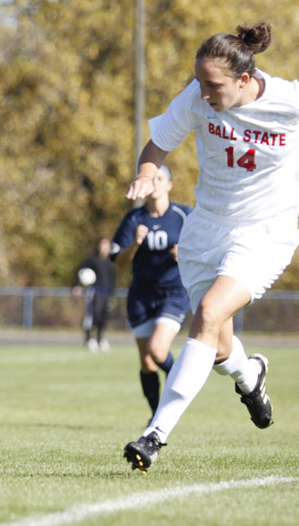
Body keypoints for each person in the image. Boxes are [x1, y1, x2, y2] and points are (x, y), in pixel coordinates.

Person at [122, 22, 299, 473]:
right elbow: (157, 146)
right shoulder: (195, 98)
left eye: (213, 85)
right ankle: (250, 374)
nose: (202, 93)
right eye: (199, 81)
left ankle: (155, 434)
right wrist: (146, 173)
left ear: (244, 80)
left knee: (205, 315)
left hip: (265, 233)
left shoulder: (293, 99)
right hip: (207, 230)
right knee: (219, 347)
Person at [110, 165, 191, 420]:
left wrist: (186, 254)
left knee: (158, 351)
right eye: (151, 178)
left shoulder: (184, 215)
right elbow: (117, 261)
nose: (154, 183)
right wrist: (134, 244)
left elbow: (207, 250)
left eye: (160, 178)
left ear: (169, 184)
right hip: (141, 295)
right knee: (147, 362)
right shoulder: (134, 220)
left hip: (173, 293)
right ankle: (157, 416)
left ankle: (185, 383)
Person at [72, 238, 116, 352]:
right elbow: (80, 270)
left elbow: (112, 279)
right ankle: (89, 339)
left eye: (107, 246)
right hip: (94, 293)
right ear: (98, 246)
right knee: (92, 315)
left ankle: (100, 339)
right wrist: (77, 285)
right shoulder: (92, 259)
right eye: (103, 245)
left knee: (103, 317)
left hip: (106, 294)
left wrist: (112, 294)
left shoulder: (110, 262)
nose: (105, 248)